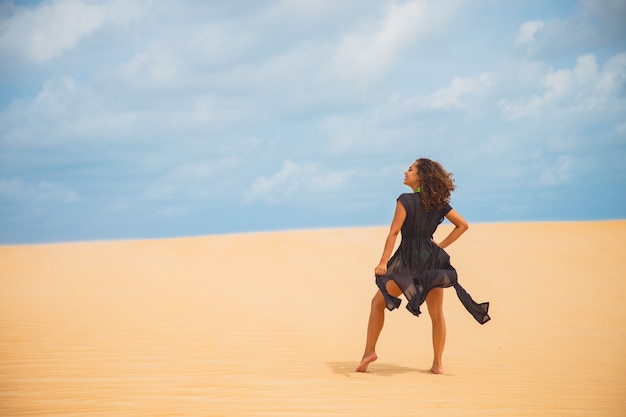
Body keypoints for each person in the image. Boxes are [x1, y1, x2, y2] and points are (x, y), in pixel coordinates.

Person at [356, 158, 490, 374]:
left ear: (421, 176)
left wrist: (383, 263)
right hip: (432, 260)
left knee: (377, 303)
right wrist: (441, 246)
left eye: (410, 169)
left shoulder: (405, 200)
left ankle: (369, 352)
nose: (405, 172)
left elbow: (393, 232)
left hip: (408, 261)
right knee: (436, 313)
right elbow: (462, 225)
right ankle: (438, 364)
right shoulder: (438, 204)